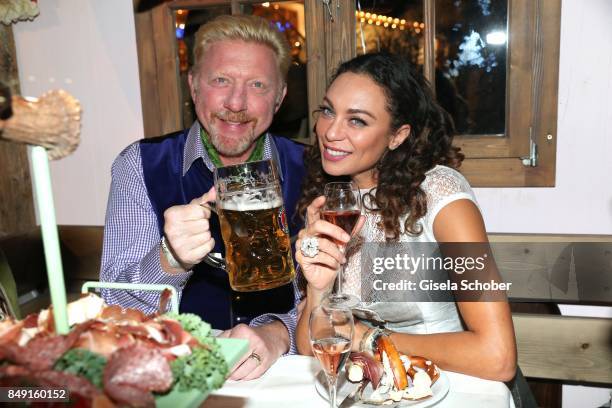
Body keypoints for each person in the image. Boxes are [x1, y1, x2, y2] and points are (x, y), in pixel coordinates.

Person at [100, 15, 305, 380]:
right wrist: (169, 259)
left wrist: (277, 334)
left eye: (257, 85)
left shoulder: (311, 169)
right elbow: (112, 303)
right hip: (176, 374)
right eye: (221, 80)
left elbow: (335, 297)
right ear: (194, 86)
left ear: (279, 97)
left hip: (285, 373)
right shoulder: (139, 165)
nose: (236, 102)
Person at [294, 53, 517, 381]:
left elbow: (497, 356)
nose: (330, 132)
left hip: (451, 386)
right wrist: (318, 289)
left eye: (357, 120)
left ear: (397, 136)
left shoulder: (442, 198)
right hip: (375, 389)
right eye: (328, 111)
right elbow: (309, 347)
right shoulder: (333, 200)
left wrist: (369, 340)